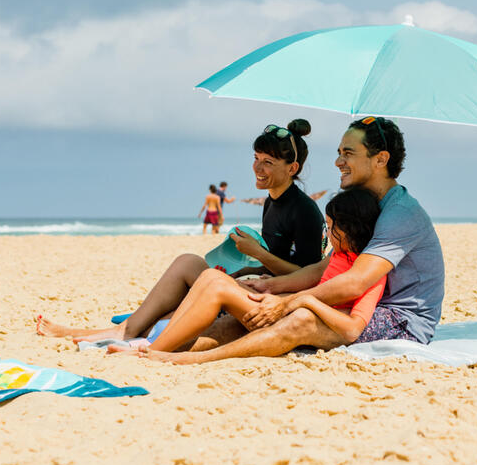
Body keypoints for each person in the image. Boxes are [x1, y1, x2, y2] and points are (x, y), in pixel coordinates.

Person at [114, 115, 446, 365]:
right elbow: (325, 267)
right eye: (338, 152)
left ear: (380, 160)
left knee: (297, 317)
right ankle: (157, 345)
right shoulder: (363, 207)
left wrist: (289, 301)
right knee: (246, 306)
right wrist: (272, 287)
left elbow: (355, 283)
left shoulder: (399, 213)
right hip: (356, 305)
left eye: (348, 153)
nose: (337, 161)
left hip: (399, 319)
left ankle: (183, 359)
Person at [36, 119, 325, 342]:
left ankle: (124, 332)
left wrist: (256, 253)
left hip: (276, 302)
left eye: (268, 162)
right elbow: (275, 260)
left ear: (292, 168)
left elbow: (307, 277)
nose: (257, 168)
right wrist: (240, 271)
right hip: (260, 284)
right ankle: (124, 330)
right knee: (188, 261)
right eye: (256, 158)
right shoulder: (272, 203)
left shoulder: (304, 211)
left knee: (197, 288)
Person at [111, 188, 385, 357]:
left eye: (331, 227)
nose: (327, 233)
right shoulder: (339, 253)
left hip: (292, 318)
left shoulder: (371, 268)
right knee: (209, 277)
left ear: (350, 229)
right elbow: (313, 272)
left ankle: (154, 351)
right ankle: (149, 339)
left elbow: (351, 329)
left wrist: (302, 300)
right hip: (285, 304)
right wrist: (272, 285)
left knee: (216, 284)